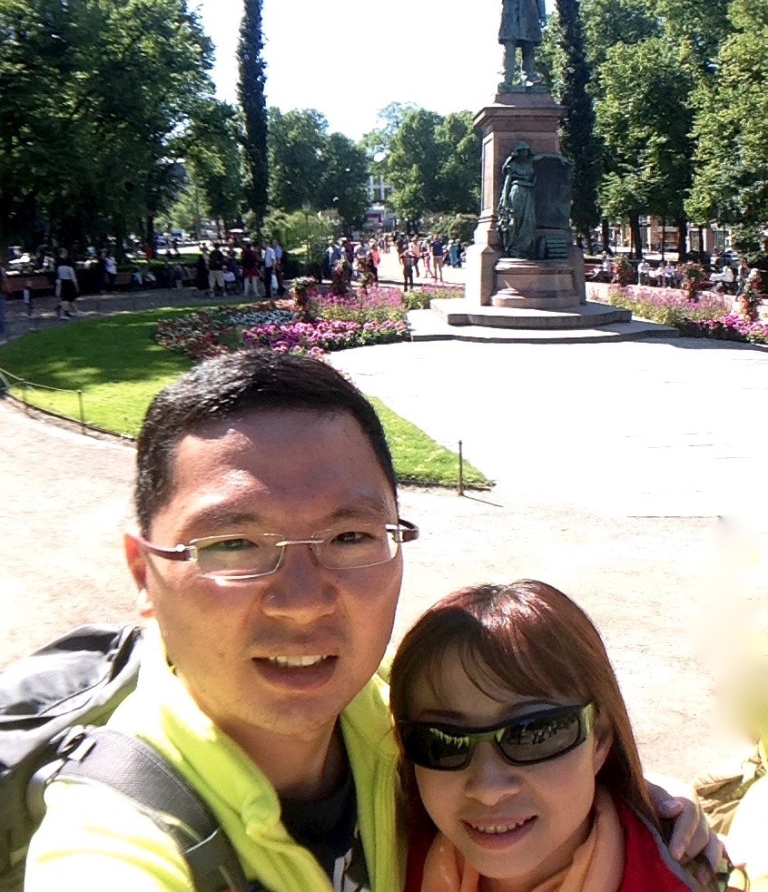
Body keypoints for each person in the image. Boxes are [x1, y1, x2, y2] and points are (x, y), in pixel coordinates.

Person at [25, 354, 716, 890]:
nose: (302, 600)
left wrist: (628, 799)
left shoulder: (400, 715)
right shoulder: (113, 837)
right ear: (144, 573)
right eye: (233, 545)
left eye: (350, 538)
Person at [390, 581, 734, 892]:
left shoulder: (687, 881)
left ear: (599, 739)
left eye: (534, 733)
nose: (488, 789)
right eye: (442, 742)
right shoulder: (378, 862)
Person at [492, 0, 546, 89]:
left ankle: (529, 78)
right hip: (510, 16)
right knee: (509, 48)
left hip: (529, 16)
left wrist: (542, 14)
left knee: (528, 48)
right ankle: (507, 80)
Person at [498, 142, 538, 259]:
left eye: (526, 150)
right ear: (518, 152)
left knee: (529, 220)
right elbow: (507, 182)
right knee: (515, 219)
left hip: (529, 193)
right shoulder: (512, 166)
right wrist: (504, 198)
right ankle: (513, 248)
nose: (524, 153)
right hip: (517, 191)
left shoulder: (530, 166)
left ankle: (524, 248)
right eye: (522, 150)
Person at [55, 251, 79, 318]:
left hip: (62, 282)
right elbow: (74, 278)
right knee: (67, 299)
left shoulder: (59, 267)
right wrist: (76, 287)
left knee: (65, 298)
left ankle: (66, 312)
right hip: (68, 283)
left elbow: (58, 275)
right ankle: (64, 313)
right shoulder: (70, 268)